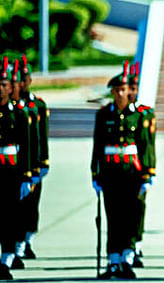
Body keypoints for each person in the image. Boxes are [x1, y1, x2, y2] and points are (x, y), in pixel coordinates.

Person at [91, 63, 156, 279]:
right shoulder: (103, 115)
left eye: (124, 90)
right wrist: (95, 173)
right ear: (111, 92)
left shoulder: (139, 115)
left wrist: (148, 173)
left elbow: (146, 146)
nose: (120, 94)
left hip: (132, 173)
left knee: (130, 216)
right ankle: (113, 260)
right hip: (111, 173)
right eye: (116, 90)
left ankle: (127, 258)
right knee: (113, 216)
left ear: (129, 91)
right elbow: (97, 147)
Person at [0, 56, 33, 280]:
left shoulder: (19, 113)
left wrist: (27, 175)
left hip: (11, 171)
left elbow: (27, 147)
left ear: (11, 88)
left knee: (9, 216)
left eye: (3, 85)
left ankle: (7, 258)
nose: (0, 89)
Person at [18, 54, 49, 260]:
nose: (21, 83)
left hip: (34, 163)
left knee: (31, 204)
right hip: (12, 162)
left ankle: (27, 239)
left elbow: (42, 136)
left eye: (24, 79)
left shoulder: (36, 105)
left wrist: (43, 162)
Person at [125, 62, 155, 268]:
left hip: (137, 170)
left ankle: (136, 243)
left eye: (134, 89)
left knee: (137, 208)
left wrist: (149, 171)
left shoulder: (145, 114)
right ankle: (123, 249)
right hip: (118, 169)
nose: (130, 93)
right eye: (129, 89)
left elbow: (148, 146)